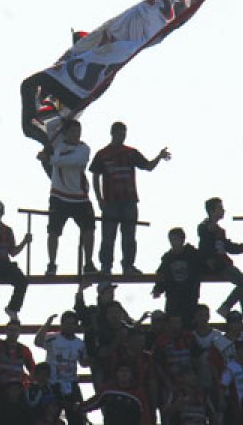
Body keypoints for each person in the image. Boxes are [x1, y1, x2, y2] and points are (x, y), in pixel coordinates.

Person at [89, 121, 171, 275]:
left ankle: (128, 266)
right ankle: (106, 267)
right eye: (119, 133)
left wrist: (159, 157)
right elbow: (95, 177)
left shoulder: (131, 152)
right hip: (111, 202)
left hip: (129, 201)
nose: (121, 136)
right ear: (112, 133)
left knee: (129, 237)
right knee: (108, 236)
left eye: (123, 133)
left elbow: (148, 166)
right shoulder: (102, 154)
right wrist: (99, 199)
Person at [37, 119, 96, 276]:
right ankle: (51, 264)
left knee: (89, 228)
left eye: (78, 132)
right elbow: (49, 126)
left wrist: (49, 159)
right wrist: (63, 119)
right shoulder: (59, 143)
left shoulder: (84, 149)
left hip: (80, 197)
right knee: (53, 231)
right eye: (73, 131)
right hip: (59, 195)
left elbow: (74, 162)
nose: (76, 135)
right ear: (66, 132)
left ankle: (88, 263)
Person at [197, 197, 243, 317]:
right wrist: (209, 261)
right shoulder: (204, 227)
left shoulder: (219, 231)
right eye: (220, 208)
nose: (223, 210)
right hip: (217, 265)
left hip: (223, 263)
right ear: (212, 211)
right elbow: (204, 246)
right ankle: (226, 307)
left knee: (242, 284)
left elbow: (228, 246)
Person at [35, 311, 89, 425]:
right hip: (53, 384)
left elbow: (83, 363)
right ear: (62, 324)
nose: (70, 326)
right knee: (50, 418)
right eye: (67, 323)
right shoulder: (53, 338)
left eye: (73, 324)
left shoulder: (80, 343)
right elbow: (38, 342)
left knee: (78, 417)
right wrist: (47, 324)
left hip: (72, 384)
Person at [151, 227, 202, 329]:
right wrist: (158, 289)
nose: (173, 242)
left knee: (189, 325)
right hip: (173, 297)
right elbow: (162, 275)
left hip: (189, 297)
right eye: (171, 240)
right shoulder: (167, 258)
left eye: (175, 239)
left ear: (182, 239)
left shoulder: (192, 255)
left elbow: (200, 270)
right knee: (172, 325)